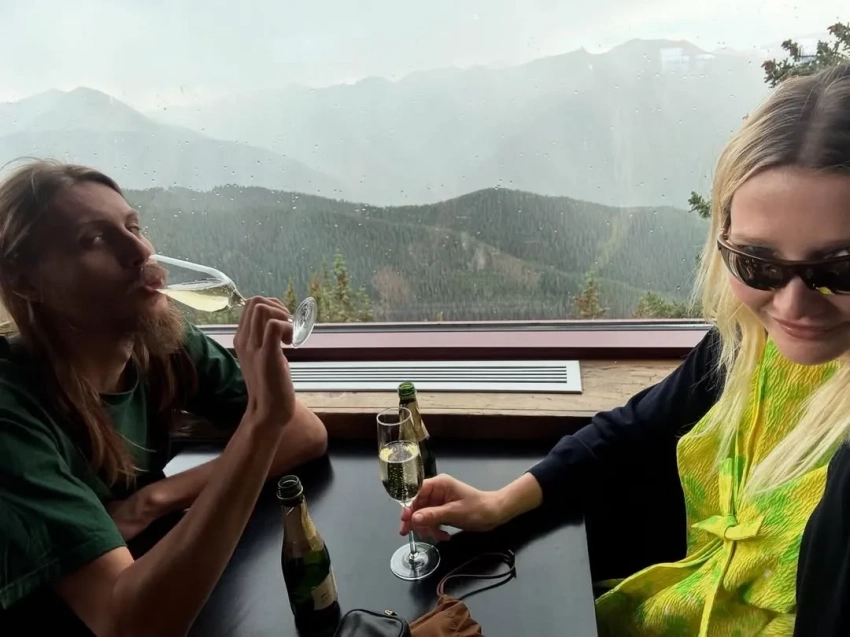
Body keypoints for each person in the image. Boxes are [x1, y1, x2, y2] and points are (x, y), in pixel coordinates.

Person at [402, 63, 850, 636]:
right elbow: (635, 429)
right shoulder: (750, 343)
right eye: (757, 263)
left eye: (840, 268)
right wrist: (501, 503)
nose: (791, 305)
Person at [0, 160, 329, 636]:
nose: (141, 251)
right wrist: (261, 423)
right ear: (26, 281)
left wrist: (155, 499)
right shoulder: (12, 412)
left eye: (134, 227)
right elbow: (129, 624)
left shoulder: (155, 337)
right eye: (94, 239)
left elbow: (305, 434)